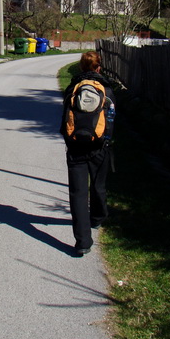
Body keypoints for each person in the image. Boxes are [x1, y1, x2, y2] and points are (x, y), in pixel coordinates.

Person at [60, 51, 115, 256]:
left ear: (82, 67)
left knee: (78, 194)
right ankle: (98, 218)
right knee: (99, 186)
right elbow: (111, 118)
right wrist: (106, 141)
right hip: (99, 147)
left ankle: (82, 242)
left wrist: (69, 141)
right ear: (99, 67)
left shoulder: (72, 88)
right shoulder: (107, 89)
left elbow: (64, 119)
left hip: (75, 149)